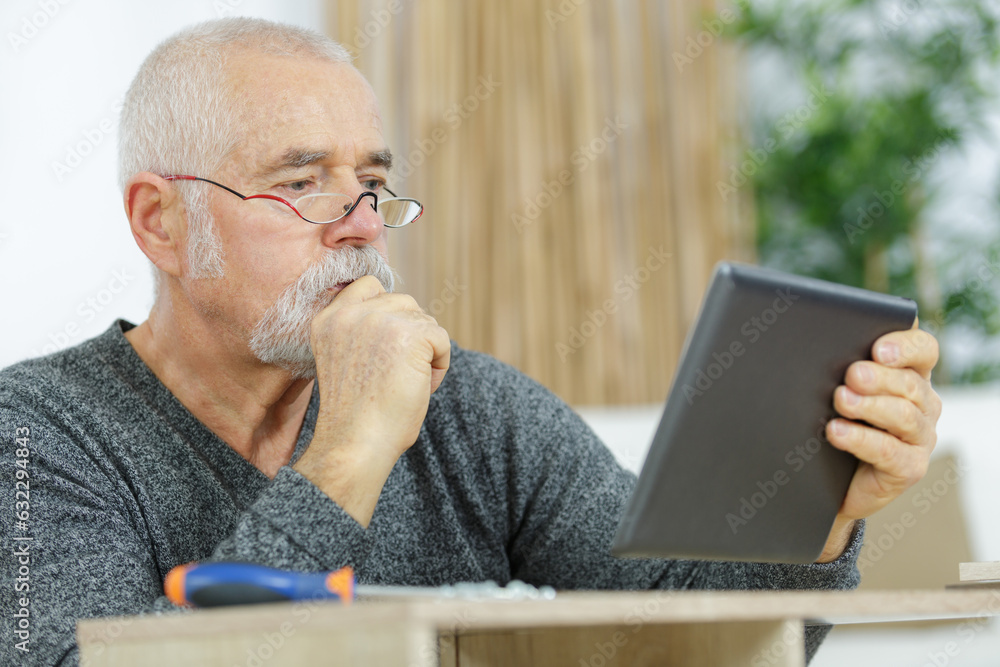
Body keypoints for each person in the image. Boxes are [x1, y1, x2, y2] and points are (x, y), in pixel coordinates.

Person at [0, 17, 941, 666]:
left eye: (372, 181)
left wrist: (818, 505)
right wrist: (352, 453)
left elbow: (681, 627)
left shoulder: (471, 409)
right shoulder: (33, 432)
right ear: (161, 223)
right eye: (301, 183)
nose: (362, 224)